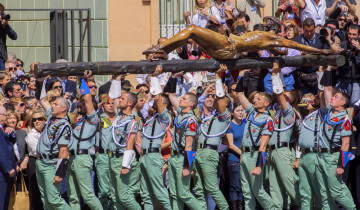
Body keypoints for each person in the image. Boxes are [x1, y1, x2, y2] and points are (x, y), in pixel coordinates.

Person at [143, 24, 332, 61]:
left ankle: (160, 47)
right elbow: (283, 51)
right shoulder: (267, 41)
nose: (264, 26)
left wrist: (319, 52)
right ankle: (162, 52)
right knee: (192, 35)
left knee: (193, 29)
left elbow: (296, 45)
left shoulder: (270, 38)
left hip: (228, 47)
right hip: (223, 49)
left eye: (267, 25)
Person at [316, 66, 356, 209]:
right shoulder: (328, 113)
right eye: (333, 97)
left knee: (336, 191)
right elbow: (326, 90)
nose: (332, 98)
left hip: (332, 157)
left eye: (336, 97)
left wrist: (341, 164)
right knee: (324, 192)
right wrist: (326, 70)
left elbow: (345, 143)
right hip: (320, 155)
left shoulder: (344, 118)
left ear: (342, 102)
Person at [234, 69, 274, 209]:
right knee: (246, 191)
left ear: (266, 104)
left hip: (255, 154)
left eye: (259, 99)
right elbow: (239, 94)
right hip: (245, 154)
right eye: (255, 99)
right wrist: (240, 74)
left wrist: (259, 165)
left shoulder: (267, 119)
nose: (254, 100)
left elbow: (263, 145)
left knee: (258, 190)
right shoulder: (252, 112)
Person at [193, 64, 231, 209]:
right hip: (199, 151)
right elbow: (199, 103)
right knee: (199, 188)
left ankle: (224, 208)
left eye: (215, 97)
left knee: (211, 187)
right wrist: (208, 91)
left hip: (209, 152)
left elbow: (221, 98)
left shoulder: (224, 116)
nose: (213, 99)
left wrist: (217, 78)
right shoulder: (210, 117)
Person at [66, 72, 103, 210]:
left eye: (82, 104)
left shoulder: (92, 119)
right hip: (72, 157)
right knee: (73, 195)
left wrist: (84, 80)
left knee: (87, 195)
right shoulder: (77, 120)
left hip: (82, 157)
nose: (79, 105)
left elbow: (87, 99)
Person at [267, 61, 301, 209]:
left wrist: (274, 74)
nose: (282, 98)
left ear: (292, 101)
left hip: (283, 150)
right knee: (275, 188)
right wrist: (279, 72)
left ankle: (306, 206)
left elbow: (280, 93)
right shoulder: (280, 111)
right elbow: (282, 91)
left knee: (290, 184)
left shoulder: (290, 112)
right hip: (272, 151)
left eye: (287, 98)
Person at [138, 65, 172, 209]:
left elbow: (157, 98)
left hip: (153, 156)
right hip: (144, 157)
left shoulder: (164, 118)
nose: (151, 102)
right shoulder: (151, 118)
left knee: (160, 193)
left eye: (155, 103)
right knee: (145, 194)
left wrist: (154, 78)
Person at [108, 75, 141, 210]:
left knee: (124, 196)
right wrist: (116, 80)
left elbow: (130, 144)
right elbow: (114, 99)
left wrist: (126, 165)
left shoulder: (131, 121)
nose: (119, 101)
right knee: (114, 197)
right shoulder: (119, 117)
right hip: (112, 159)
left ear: (129, 103)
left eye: (123, 99)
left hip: (122, 159)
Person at [167, 84, 201, 209]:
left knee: (184, 193)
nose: (181, 99)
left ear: (191, 104)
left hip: (183, 158)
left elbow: (189, 146)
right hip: (173, 157)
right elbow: (171, 96)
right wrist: (174, 77)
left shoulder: (190, 120)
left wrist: (187, 166)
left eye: (184, 99)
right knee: (174, 194)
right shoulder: (181, 113)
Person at [36, 94, 72, 209]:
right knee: (45, 198)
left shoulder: (63, 126)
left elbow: (63, 150)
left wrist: (59, 172)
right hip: (40, 162)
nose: (52, 106)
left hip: (51, 164)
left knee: (54, 198)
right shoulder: (51, 119)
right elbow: (43, 100)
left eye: (56, 104)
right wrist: (43, 81)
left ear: (63, 109)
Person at [293, 18, 330, 94]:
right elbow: (291, 55)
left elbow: (328, 52)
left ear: (314, 28)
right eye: (307, 31)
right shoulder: (296, 40)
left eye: (311, 31)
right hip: (301, 78)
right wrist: (300, 53)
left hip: (317, 76)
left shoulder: (321, 39)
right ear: (302, 29)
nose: (309, 33)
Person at [95, 93, 117, 210]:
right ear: (102, 106)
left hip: (117, 156)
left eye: (113, 103)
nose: (111, 105)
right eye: (108, 103)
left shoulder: (120, 118)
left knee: (116, 188)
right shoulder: (98, 118)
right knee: (104, 190)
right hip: (103, 155)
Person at [23, 110, 46, 210]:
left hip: (46, 161)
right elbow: (38, 151)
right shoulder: (31, 135)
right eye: (34, 120)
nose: (37, 121)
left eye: (40, 119)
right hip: (36, 161)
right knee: (36, 191)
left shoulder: (48, 132)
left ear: (45, 120)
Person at [224, 103, 245, 210]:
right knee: (235, 186)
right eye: (238, 110)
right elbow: (231, 145)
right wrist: (243, 155)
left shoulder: (245, 124)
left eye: (242, 110)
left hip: (245, 159)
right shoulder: (230, 125)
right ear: (232, 112)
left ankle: (241, 207)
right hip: (234, 159)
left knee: (242, 187)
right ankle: (234, 207)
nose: (241, 112)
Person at [335, 24, 360, 104]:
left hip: (356, 81)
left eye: (354, 34)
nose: (351, 37)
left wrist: (359, 50)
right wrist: (338, 54)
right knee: (340, 104)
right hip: (342, 79)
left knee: (353, 104)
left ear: (358, 35)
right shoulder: (343, 45)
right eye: (349, 34)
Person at [0, 105, 16, 210]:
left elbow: (9, 145)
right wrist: (8, 168)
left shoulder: (3, 129)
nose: (6, 117)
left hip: (5, 174)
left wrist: (11, 132)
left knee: (5, 203)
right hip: (2, 173)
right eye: (4, 115)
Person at [0, 4, 17, 71]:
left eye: (2, 13)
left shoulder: (3, 25)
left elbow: (14, 36)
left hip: (1, 56)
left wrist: (6, 25)